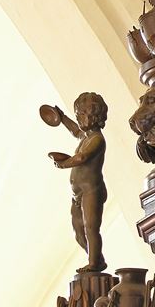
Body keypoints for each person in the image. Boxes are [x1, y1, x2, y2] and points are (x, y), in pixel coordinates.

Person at [49, 93, 108, 272]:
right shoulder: (85, 136)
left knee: (91, 227)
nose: (83, 119)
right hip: (78, 194)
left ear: (97, 118)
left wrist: (64, 164)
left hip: (92, 191)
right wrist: (63, 118)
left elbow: (82, 157)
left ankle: (94, 263)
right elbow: (76, 130)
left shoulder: (97, 139)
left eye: (88, 115)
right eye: (80, 115)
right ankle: (97, 259)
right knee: (79, 233)